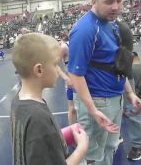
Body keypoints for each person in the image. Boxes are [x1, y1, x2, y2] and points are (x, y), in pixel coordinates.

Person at [68, 0, 141, 165]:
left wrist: (130, 93)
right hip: (98, 101)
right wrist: (93, 110)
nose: (116, 7)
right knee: (94, 155)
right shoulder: (86, 30)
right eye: (109, 2)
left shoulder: (113, 24)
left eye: (119, 1)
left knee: (110, 146)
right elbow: (75, 74)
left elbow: (115, 64)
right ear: (93, 1)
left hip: (115, 98)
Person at [10, 33, 89, 165]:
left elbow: (33, 141)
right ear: (39, 70)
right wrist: (82, 147)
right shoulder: (38, 117)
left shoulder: (18, 101)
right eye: (55, 64)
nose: (59, 70)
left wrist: (58, 135)